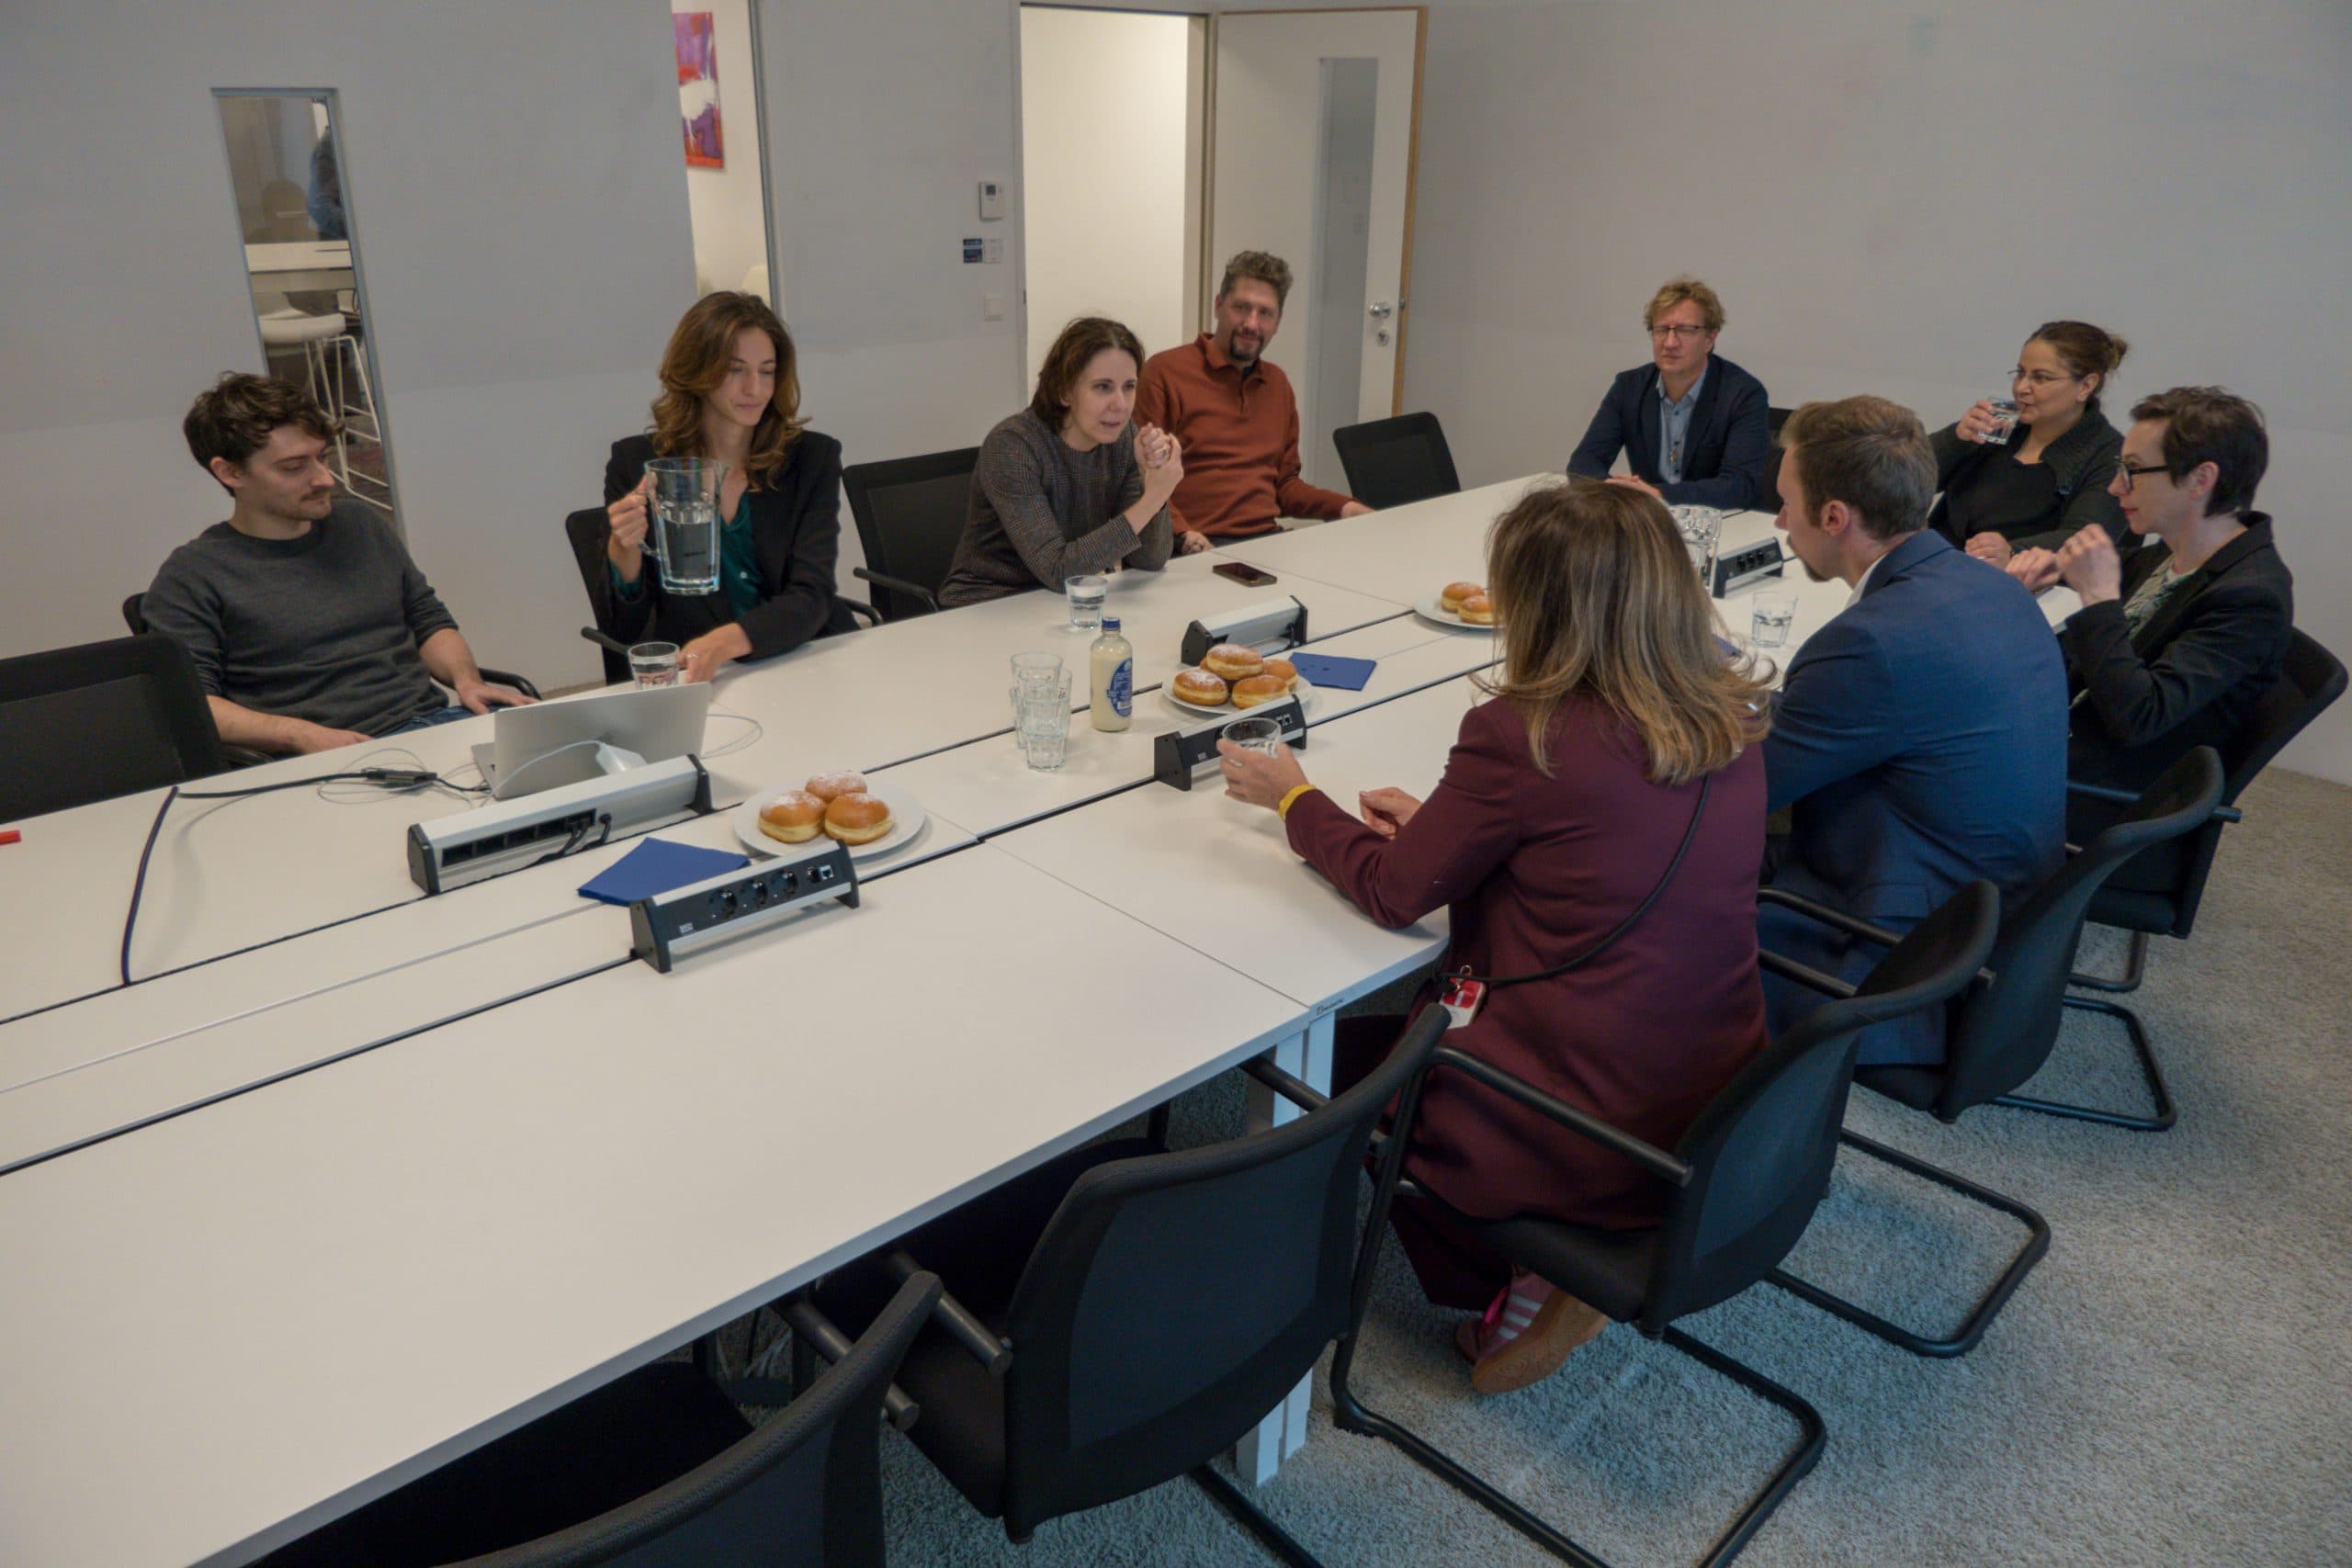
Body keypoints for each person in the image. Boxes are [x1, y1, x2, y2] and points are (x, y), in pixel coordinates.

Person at [1217, 481, 1773, 1395]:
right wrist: (1451, 832)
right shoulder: (1732, 714)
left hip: (1571, 1115)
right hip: (1707, 1089)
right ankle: (1557, 1262)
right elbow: (1599, 848)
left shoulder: (1525, 732)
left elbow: (1396, 894)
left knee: (1321, 1080)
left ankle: (1520, 1268)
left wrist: (1293, 797)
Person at [1761, 396, 2066, 1066]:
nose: (1781, 522)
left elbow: (1741, 788)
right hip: (1995, 925)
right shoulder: (1988, 587)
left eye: (1786, 503)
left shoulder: (1869, 643)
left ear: (1835, 517)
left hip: (1906, 958)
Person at [144, 374, 531, 755]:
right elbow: (194, 704)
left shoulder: (358, 524)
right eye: (295, 467)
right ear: (230, 472)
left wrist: (467, 680)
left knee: (561, 773)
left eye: (323, 457)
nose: (325, 479)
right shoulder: (193, 575)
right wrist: (299, 735)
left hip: (432, 725)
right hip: (327, 756)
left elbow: (426, 618)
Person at [2020, 387, 2291, 799]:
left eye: (2132, 470)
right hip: (2061, 744)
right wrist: (2061, 574)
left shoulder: (2251, 597)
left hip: (2102, 793)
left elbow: (2138, 718)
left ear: (2200, 479)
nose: (2115, 487)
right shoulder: (2169, 552)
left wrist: (2097, 599)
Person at [600, 292, 854, 682]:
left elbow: (812, 594)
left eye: (767, 371)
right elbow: (625, 627)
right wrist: (623, 547)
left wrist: (725, 642)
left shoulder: (811, 458)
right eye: (736, 370)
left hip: (802, 653)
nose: (755, 389)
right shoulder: (639, 463)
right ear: (696, 371)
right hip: (702, 668)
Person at [1134, 250, 1369, 550]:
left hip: (1265, 543)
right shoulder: (1165, 373)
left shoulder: (1277, 384)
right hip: (1192, 546)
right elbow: (1143, 477)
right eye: (1241, 308)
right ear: (1219, 306)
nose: (1251, 324)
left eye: (1265, 313)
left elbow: (1285, 486)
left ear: (1278, 321)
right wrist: (1183, 534)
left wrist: (1345, 507)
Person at [937, 317, 1179, 607]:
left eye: (1129, 386)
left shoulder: (1123, 439)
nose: (1121, 404)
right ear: (1065, 391)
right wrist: (1154, 498)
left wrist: (1149, 478)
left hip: (1063, 605)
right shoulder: (1013, 446)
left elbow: (1149, 560)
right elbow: (1058, 570)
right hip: (986, 604)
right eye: (1102, 387)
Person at [1926, 320, 2131, 570]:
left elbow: (2086, 540)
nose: (2022, 388)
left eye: (2041, 378)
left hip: (2022, 589)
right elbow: (1904, 482)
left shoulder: (2109, 454)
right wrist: (1956, 439)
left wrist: (2013, 552)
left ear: (2086, 386)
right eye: (2021, 373)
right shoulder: (1999, 421)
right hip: (1938, 565)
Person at [1565, 276, 1771, 512]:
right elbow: (1583, 462)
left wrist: (1658, 494)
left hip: (1721, 523)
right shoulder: (1629, 387)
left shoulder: (1743, 394)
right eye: (1661, 330)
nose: (1670, 342)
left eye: (1685, 330)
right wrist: (1618, 495)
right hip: (1652, 522)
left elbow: (1739, 486)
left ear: (1710, 339)